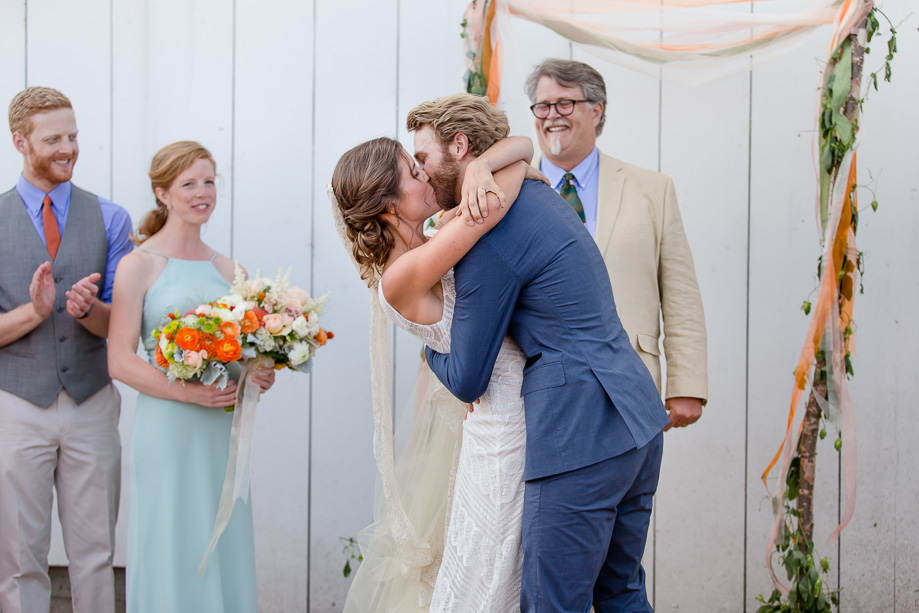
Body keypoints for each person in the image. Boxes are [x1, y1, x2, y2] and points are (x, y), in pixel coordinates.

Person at [410, 93, 669, 612]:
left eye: (422, 158)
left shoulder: (487, 230)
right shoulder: (533, 193)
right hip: (636, 416)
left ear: (460, 146)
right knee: (621, 592)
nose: (420, 173)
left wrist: (427, 351)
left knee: (553, 603)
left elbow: (468, 377)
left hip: (581, 431)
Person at [331, 117, 541, 612]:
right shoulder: (400, 276)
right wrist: (500, 172)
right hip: (501, 423)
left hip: (521, 409)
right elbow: (494, 202)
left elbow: (523, 144)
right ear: (389, 206)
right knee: (490, 577)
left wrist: (484, 166)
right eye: (412, 171)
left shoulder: (435, 238)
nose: (425, 174)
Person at [107, 141, 275, 613]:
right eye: (189, 184)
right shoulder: (137, 265)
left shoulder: (232, 270)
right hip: (168, 427)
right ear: (162, 193)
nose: (202, 193)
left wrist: (257, 374)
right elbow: (119, 359)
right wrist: (188, 394)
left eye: (209, 182)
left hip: (221, 428)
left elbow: (243, 353)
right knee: (171, 534)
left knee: (222, 533)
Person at [0, 86, 132, 613]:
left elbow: (119, 324)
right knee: (18, 558)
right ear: (20, 142)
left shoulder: (110, 218)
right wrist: (33, 312)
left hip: (91, 400)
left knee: (96, 554)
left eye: (73, 136)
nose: (68, 148)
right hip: (16, 405)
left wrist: (87, 310)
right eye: (53, 139)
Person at [525, 58, 708, 431]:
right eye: (543, 106)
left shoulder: (653, 190)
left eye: (564, 103)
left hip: (632, 387)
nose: (552, 115)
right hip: (536, 392)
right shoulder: (510, 192)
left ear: (596, 110)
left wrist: (686, 384)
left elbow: (681, 295)